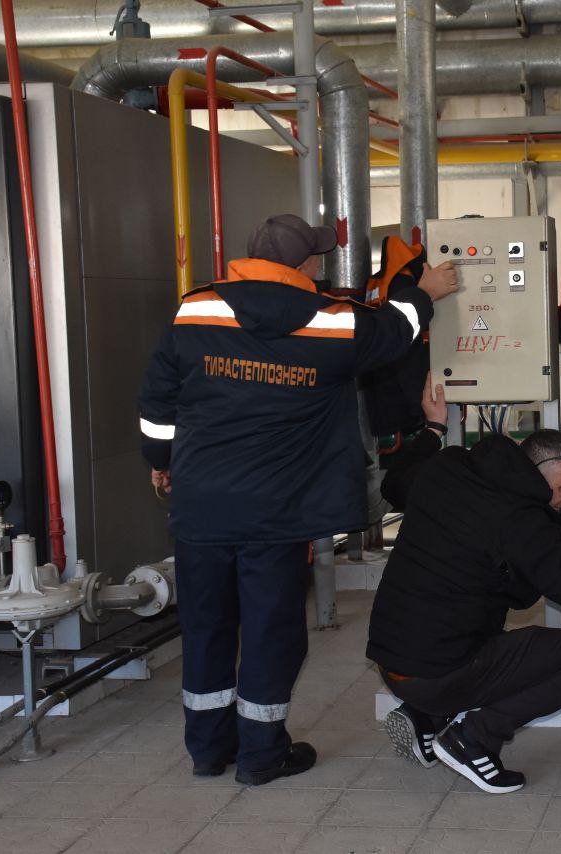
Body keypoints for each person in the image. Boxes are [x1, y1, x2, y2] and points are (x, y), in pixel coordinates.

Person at [138, 214, 457, 786]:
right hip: (277, 509)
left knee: (206, 626)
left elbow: (157, 402)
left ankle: (208, 750)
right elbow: (394, 331)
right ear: (307, 263)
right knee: (270, 630)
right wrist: (425, 292)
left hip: (202, 503)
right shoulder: (331, 322)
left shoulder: (195, 310)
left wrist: (161, 461)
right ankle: (261, 755)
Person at [366, 379, 561, 794]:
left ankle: (426, 716)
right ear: (537, 474)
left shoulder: (450, 466)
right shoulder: (523, 522)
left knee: (485, 624)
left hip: (391, 661)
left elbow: (392, 485)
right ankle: (473, 738)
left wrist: (434, 430)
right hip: (436, 672)